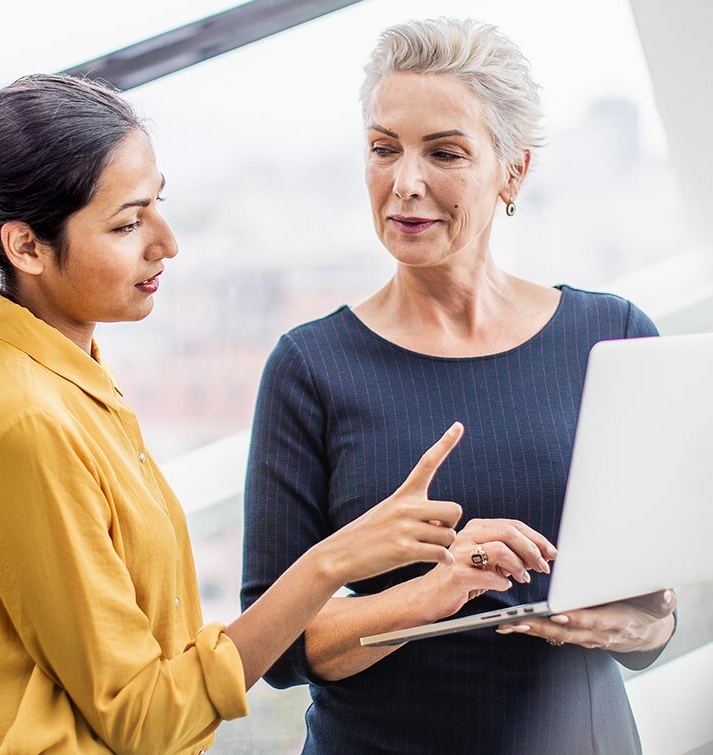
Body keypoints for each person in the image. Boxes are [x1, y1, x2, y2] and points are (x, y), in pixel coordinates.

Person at [0, 73, 470, 754]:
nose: (166, 241)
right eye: (128, 223)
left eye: (158, 204)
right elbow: (146, 719)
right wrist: (332, 561)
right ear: (26, 247)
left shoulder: (66, 382)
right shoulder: (26, 419)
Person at [241, 18, 676, 753]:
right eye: (384, 149)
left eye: (444, 152)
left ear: (513, 172)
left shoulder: (615, 335)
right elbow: (280, 648)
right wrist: (437, 592)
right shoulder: (310, 368)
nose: (405, 183)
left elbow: (658, 602)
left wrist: (648, 623)